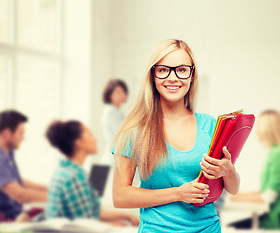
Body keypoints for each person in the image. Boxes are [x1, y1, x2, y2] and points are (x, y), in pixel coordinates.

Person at [110, 39, 240, 232]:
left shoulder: (211, 125)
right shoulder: (135, 129)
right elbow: (120, 196)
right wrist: (178, 193)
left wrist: (228, 171)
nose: (172, 78)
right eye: (163, 70)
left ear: (191, 75)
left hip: (208, 228)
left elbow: (233, 188)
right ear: (153, 76)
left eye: (181, 70)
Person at [45, 120, 139, 227]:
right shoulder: (75, 177)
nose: (95, 138)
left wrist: (127, 217)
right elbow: (85, 222)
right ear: (79, 143)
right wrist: (119, 224)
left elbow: (92, 212)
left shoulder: (64, 172)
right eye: (89, 134)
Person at [229, 109, 280, 229]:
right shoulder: (273, 152)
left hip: (273, 220)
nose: (256, 131)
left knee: (230, 228)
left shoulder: (276, 154)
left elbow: (268, 196)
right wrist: (240, 195)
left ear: (268, 129)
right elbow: (266, 190)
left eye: (260, 127)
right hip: (269, 216)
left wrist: (239, 197)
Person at [0, 110, 48, 221]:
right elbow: (19, 195)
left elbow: (16, 180)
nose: (23, 138)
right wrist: (58, 197)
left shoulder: (8, 153)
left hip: (17, 214)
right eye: (21, 133)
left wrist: (50, 188)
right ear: (7, 133)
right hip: (7, 219)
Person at [100, 79, 128, 166]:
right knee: (98, 179)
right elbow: (123, 134)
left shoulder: (117, 111)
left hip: (111, 157)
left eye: (123, 92)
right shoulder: (110, 111)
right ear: (110, 94)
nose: (122, 95)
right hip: (111, 159)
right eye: (118, 92)